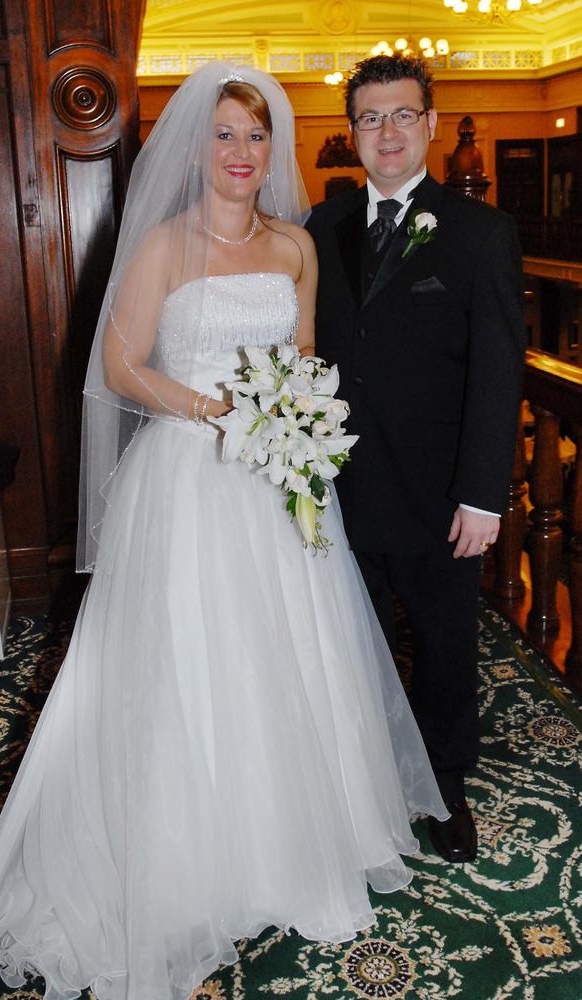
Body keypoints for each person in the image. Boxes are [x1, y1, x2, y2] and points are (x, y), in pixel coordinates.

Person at [0, 62, 448, 1000]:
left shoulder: (296, 248)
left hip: (276, 485)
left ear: (274, 149)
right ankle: (186, 852)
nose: (241, 153)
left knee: (288, 657)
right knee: (187, 664)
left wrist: (288, 419)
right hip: (187, 478)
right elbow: (121, 365)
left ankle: (288, 841)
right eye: (223, 135)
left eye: (256, 136)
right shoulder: (165, 245)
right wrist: (214, 410)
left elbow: (302, 361)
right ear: (195, 148)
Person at [306, 54, 526, 865]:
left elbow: (499, 371)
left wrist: (483, 494)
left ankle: (444, 787)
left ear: (430, 124)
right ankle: (359, 780)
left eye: (403, 115)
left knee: (443, 646)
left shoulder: (481, 232)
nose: (387, 132)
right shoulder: (318, 228)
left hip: (440, 494)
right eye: (371, 118)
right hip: (337, 486)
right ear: (353, 133)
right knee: (347, 644)